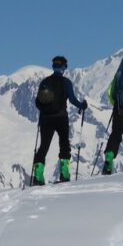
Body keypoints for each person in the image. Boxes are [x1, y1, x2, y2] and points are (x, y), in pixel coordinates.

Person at [32, 55, 87, 185]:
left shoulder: (45, 82)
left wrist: (44, 111)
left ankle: (38, 175)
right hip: (61, 118)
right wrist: (82, 105)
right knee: (64, 144)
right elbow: (73, 100)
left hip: (46, 118)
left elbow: (37, 101)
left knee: (43, 146)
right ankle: (64, 173)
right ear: (63, 67)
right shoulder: (66, 82)